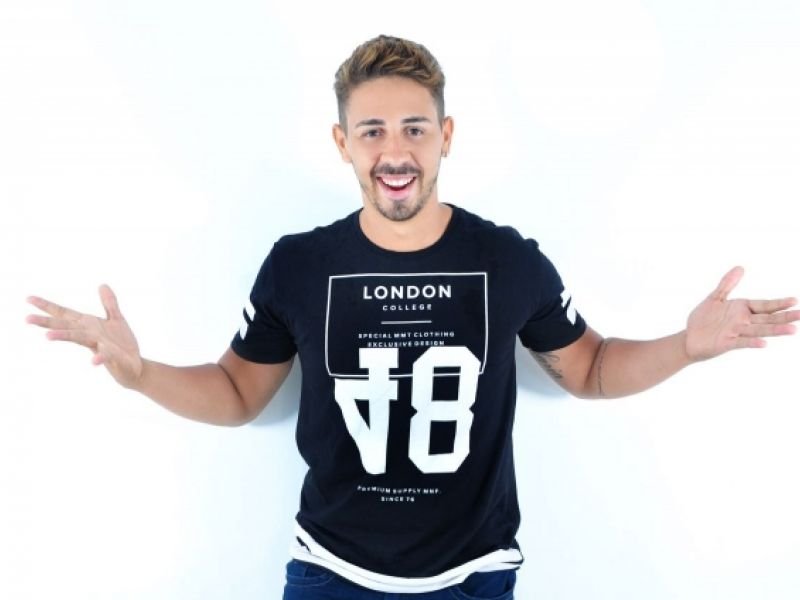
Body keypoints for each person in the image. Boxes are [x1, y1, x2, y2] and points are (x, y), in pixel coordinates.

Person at [26, 35, 799, 600]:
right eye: (372, 131)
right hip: (330, 571)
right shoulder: (299, 264)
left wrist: (686, 346)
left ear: (445, 136)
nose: (394, 152)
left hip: (474, 576)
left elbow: (591, 369)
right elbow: (235, 393)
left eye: (414, 129)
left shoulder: (506, 259)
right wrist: (139, 374)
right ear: (343, 143)